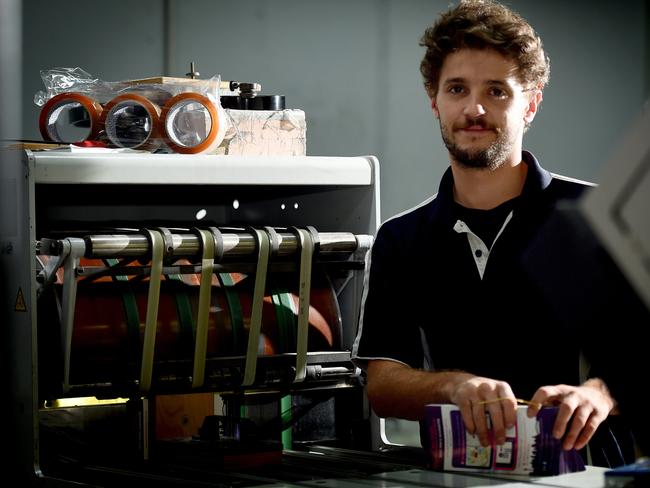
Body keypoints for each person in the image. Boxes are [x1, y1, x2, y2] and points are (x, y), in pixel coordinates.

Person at [351, 0, 636, 467]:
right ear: (435, 102)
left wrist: (597, 395)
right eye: (457, 89)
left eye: (497, 91)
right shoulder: (400, 239)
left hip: (588, 472)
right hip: (456, 474)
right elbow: (382, 384)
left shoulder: (601, 218)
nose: (474, 108)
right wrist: (453, 386)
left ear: (531, 104)